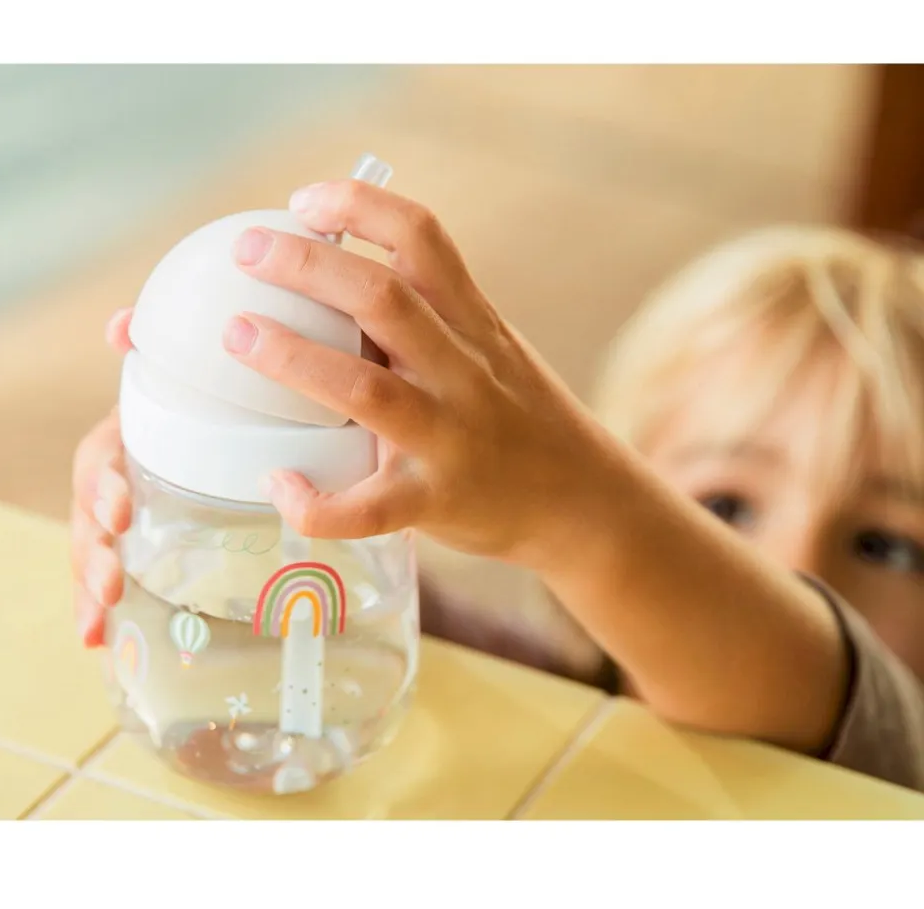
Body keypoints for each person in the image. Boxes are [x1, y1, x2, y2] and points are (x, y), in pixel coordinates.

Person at [70, 180, 924, 792]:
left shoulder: (899, 775)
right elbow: (362, 640)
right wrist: (217, 488)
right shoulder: (544, 683)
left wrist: (571, 508)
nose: (798, 566)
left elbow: (830, 699)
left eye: (887, 545)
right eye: (725, 507)